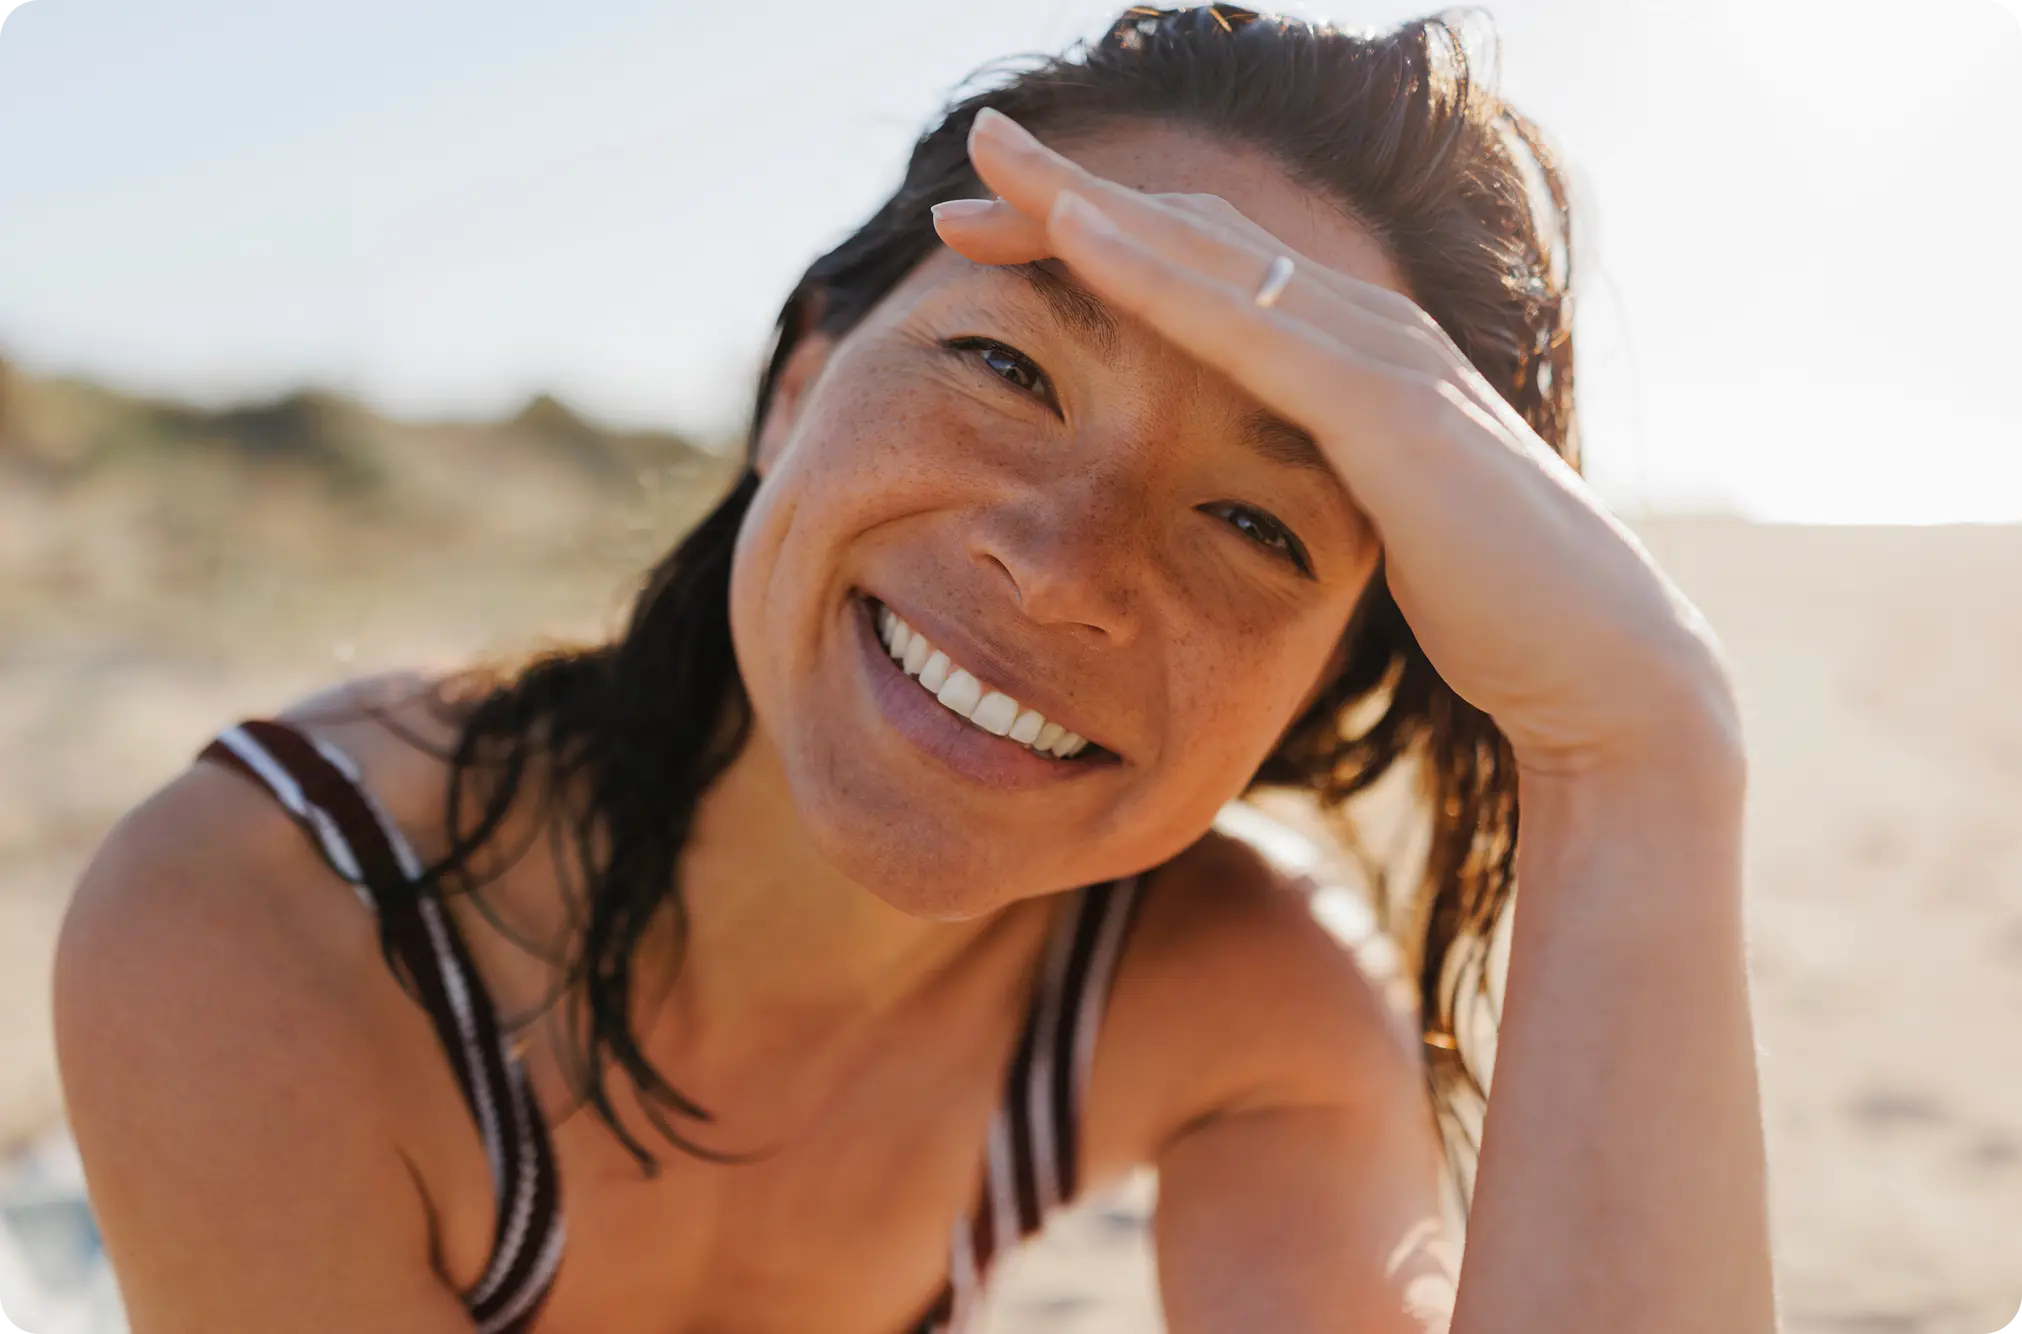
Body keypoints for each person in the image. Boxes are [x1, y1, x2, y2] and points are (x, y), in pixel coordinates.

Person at [50, 6, 1776, 1332]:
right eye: (1004, 367)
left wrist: (1642, 753)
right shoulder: (277, 916)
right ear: (803, 375)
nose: (1060, 561)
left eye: (1256, 524)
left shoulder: (1230, 996)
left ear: (1317, 687)